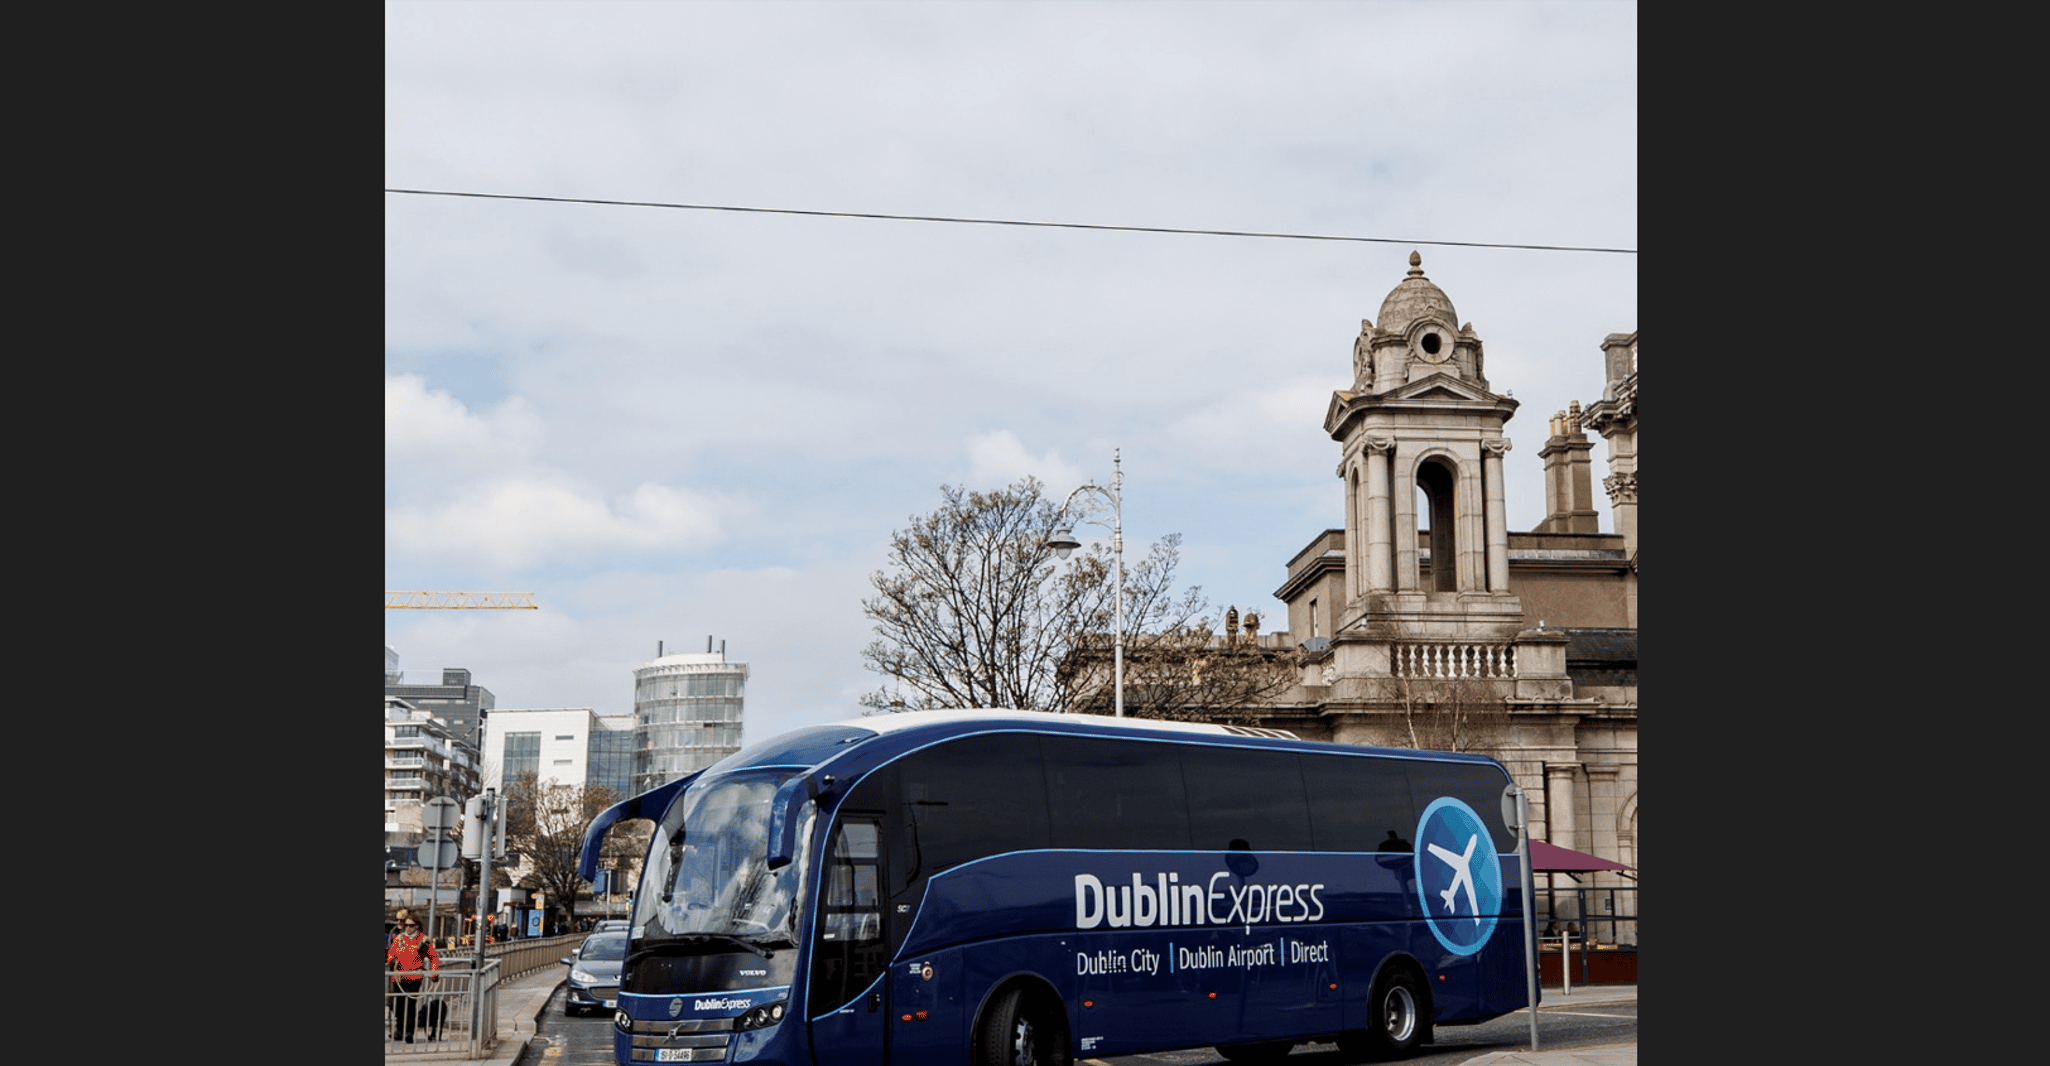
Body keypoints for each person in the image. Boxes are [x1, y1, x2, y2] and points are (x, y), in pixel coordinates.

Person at [385, 916, 440, 1043]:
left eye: (411, 925)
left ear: (417, 926)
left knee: (410, 1005)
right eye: (406, 925)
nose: (408, 928)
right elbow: (391, 954)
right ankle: (399, 1030)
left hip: (414, 977)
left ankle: (409, 1032)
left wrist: (434, 972)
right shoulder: (399, 939)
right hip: (399, 978)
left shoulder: (423, 940)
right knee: (398, 1006)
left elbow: (434, 957)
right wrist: (391, 961)